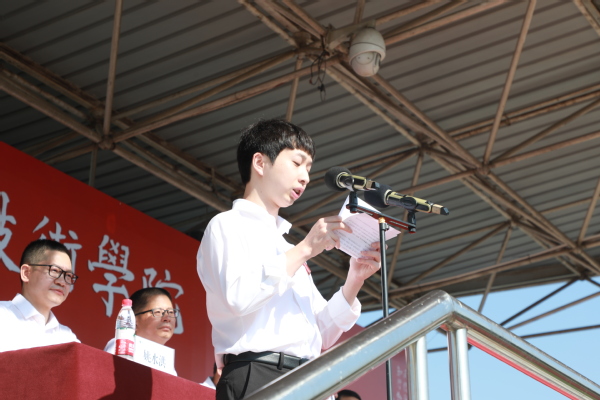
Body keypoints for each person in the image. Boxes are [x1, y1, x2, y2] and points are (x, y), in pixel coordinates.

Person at [197, 119, 382, 400]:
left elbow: (321, 332)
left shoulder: (287, 247)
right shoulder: (228, 225)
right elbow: (239, 298)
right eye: (297, 163)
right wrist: (305, 249)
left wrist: (354, 280)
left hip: (308, 380)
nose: (305, 177)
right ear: (260, 163)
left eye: (308, 168)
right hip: (258, 374)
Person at [0, 239, 80, 352]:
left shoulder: (68, 337)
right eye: (54, 270)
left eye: (68, 276)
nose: (62, 282)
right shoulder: (3, 316)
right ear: (26, 273)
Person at [104, 287, 178, 375]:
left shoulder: (168, 363)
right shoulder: (122, 346)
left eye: (171, 312)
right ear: (134, 319)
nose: (167, 318)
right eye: (158, 312)